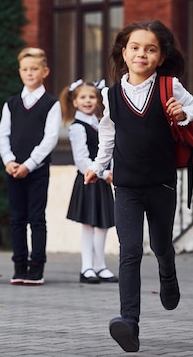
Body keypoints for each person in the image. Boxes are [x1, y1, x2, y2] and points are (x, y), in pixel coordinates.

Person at [84, 20, 193, 352]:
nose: (142, 54)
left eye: (151, 49)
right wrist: (97, 166)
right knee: (130, 250)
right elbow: (107, 134)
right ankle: (129, 323)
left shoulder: (169, 85)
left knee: (162, 245)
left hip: (162, 183)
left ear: (161, 56)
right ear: (124, 52)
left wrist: (183, 113)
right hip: (126, 186)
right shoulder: (110, 94)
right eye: (135, 47)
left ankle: (168, 273)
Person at [0, 47, 62, 286]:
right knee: (16, 218)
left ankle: (37, 266)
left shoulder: (50, 104)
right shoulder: (11, 104)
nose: (29, 73)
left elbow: (50, 138)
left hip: (37, 170)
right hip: (13, 168)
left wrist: (30, 164)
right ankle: (19, 265)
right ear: (20, 72)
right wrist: (9, 161)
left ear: (44, 71)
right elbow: (2, 135)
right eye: (25, 69)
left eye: (34, 69)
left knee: (36, 218)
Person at [59, 78, 118, 285]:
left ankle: (100, 265)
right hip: (89, 180)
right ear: (74, 102)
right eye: (83, 97)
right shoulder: (77, 127)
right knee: (88, 225)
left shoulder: (101, 123)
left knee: (102, 225)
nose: (88, 101)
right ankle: (86, 267)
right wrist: (102, 173)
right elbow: (81, 159)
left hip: (103, 179)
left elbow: (108, 151)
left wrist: (110, 170)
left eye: (92, 97)